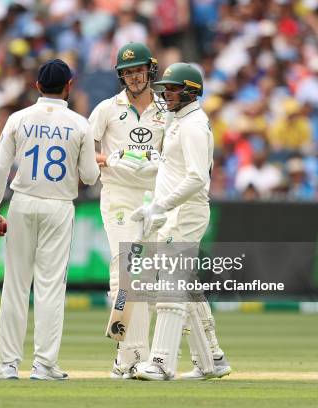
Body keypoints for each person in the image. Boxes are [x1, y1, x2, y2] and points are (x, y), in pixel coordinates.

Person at [0, 59, 100, 380]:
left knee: (15, 286)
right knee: (50, 288)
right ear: (70, 86)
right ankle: (44, 365)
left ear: (37, 86)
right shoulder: (79, 124)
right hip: (59, 206)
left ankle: (8, 365)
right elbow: (90, 177)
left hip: (21, 203)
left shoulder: (18, 118)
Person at [130, 62, 231, 380]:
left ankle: (161, 362)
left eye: (173, 89)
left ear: (191, 91)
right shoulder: (180, 121)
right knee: (184, 288)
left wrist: (160, 204)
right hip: (173, 212)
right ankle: (211, 360)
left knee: (170, 287)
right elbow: (171, 168)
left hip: (185, 212)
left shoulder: (193, 125)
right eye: (166, 89)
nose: (167, 94)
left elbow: (197, 178)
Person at [89, 42, 168, 378]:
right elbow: (84, 152)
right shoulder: (107, 109)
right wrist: (107, 159)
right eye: (128, 72)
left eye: (138, 70)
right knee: (125, 271)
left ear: (149, 70)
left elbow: (176, 158)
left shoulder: (166, 111)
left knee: (146, 280)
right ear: (121, 76)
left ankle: (126, 360)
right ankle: (135, 357)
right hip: (119, 198)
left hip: (155, 202)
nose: (134, 77)